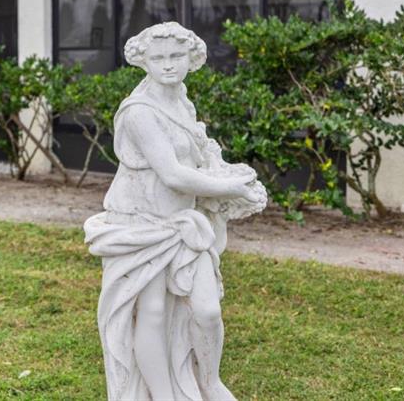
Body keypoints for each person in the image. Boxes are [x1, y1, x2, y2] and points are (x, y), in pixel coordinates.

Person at [84, 22, 267, 401]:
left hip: (183, 223)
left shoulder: (181, 99)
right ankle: (164, 395)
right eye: (158, 58)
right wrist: (229, 187)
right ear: (144, 62)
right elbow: (172, 174)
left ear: (191, 59)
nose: (168, 65)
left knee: (207, 310)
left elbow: (196, 152)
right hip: (140, 223)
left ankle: (210, 380)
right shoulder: (138, 112)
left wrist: (221, 167)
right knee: (150, 312)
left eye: (176, 56)